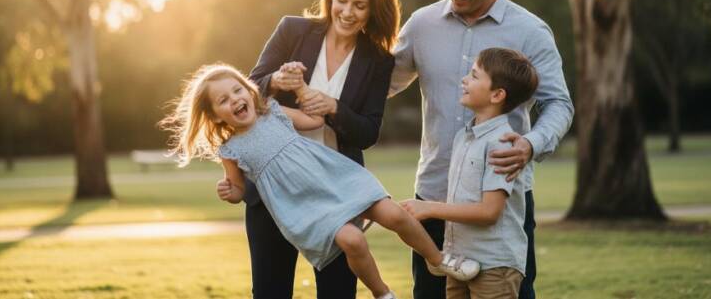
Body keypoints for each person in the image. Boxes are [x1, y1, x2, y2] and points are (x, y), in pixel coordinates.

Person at [162, 64, 481, 299]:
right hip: (305, 205)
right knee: (353, 241)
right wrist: (228, 191)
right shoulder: (230, 148)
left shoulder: (272, 111)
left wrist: (302, 90)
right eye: (222, 100)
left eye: (237, 90)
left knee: (395, 214)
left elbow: (314, 120)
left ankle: (438, 260)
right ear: (216, 116)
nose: (233, 100)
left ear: (249, 90)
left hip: (333, 178)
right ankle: (382, 293)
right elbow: (239, 190)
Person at [390, 0, 574, 299]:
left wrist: (530, 144)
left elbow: (558, 103)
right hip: (434, 196)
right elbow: (380, 84)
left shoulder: (531, 31)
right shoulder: (422, 25)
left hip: (502, 205)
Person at [243, 0, 402, 298]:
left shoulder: (379, 60)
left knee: (338, 293)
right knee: (270, 292)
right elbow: (249, 90)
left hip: (336, 193)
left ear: (374, 10)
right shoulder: (293, 30)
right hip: (274, 188)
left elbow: (368, 132)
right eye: (341, 0)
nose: (347, 12)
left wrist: (334, 108)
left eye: (360, 6)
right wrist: (275, 81)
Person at [401, 48, 539, 299]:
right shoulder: (464, 137)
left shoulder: (502, 144)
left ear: (497, 94)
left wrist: (429, 208)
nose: (465, 80)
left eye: (474, 76)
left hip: (494, 266)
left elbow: (489, 212)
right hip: (460, 261)